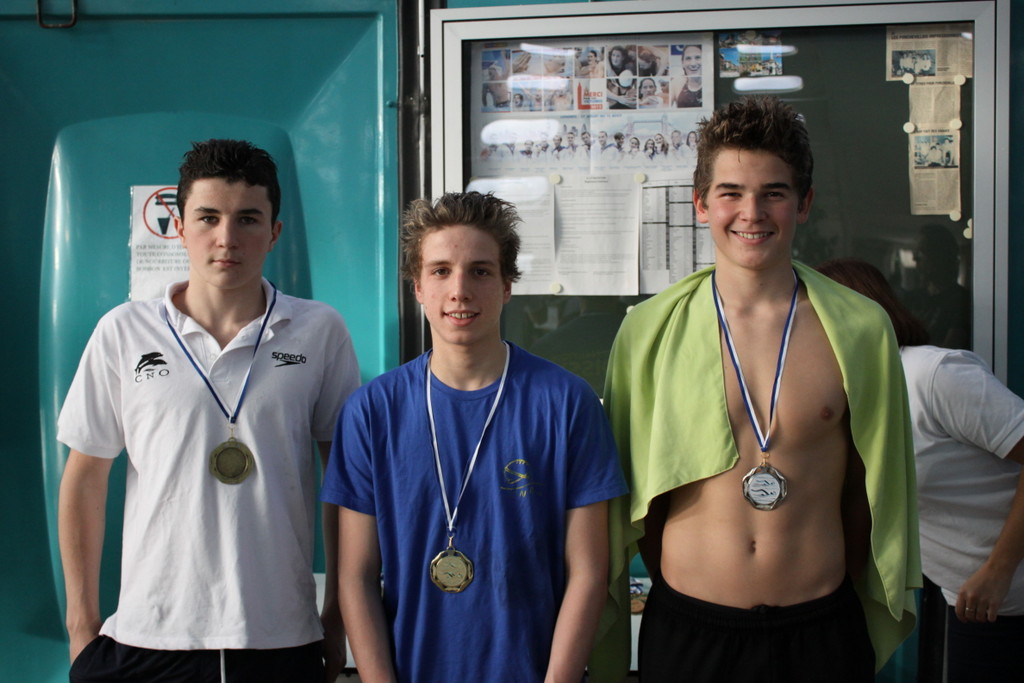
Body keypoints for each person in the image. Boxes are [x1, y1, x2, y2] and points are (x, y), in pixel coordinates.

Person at [593, 97, 920, 682]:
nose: (752, 212)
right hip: (692, 627)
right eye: (731, 193)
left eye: (774, 192)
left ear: (804, 203)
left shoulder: (860, 328)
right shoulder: (648, 331)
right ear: (700, 204)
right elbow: (635, 495)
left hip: (819, 627)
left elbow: (867, 490)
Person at [57, 139, 361, 682]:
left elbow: (344, 483)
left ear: (274, 232)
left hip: (279, 637)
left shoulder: (319, 331)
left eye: (248, 219)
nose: (226, 238)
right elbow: (85, 478)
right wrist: (81, 626)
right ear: (179, 228)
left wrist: (338, 611)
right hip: (148, 637)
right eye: (208, 217)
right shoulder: (123, 332)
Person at [323, 192, 627, 682]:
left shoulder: (567, 403)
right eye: (441, 271)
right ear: (417, 287)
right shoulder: (371, 413)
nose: (460, 290)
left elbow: (589, 572)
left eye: (480, 271)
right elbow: (355, 577)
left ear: (507, 286)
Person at [817, 258, 1024, 683]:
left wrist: (998, 570)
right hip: (973, 603)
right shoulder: (845, 402)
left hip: (1004, 589)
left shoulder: (932, 375)